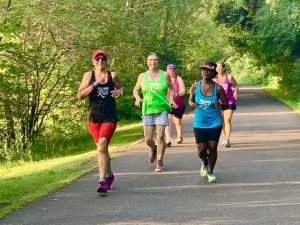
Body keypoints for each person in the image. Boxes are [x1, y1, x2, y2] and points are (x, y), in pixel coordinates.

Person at [77, 49, 123, 193]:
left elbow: (121, 87)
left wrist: (120, 91)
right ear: (93, 61)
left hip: (109, 116)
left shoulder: (112, 75)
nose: (100, 62)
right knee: (101, 149)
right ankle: (109, 175)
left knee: (102, 145)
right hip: (94, 118)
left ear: (106, 61)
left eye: (103, 59)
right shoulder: (88, 75)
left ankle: (102, 180)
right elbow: (80, 95)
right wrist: (95, 83)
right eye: (97, 59)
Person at [133, 53, 176, 172]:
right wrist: (137, 98)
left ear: (159, 62)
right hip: (147, 110)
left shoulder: (165, 75)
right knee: (148, 139)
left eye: (155, 60)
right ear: (147, 62)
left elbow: (172, 90)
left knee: (161, 136)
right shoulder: (142, 76)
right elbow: (135, 90)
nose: (153, 62)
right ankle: (154, 149)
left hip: (162, 109)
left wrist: (171, 99)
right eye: (150, 60)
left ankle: (159, 161)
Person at [189, 61, 228, 182]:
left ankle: (211, 172)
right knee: (201, 150)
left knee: (212, 147)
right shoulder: (195, 86)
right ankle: (205, 162)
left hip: (215, 122)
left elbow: (226, 105)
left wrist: (220, 103)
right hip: (199, 123)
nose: (205, 72)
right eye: (203, 70)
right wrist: (192, 104)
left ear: (213, 72)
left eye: (208, 70)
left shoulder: (218, 88)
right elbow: (190, 100)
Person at [214, 61, 239, 147]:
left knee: (227, 120)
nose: (219, 69)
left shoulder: (229, 77)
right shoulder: (214, 79)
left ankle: (227, 139)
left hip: (229, 101)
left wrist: (236, 92)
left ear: (224, 68)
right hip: (219, 102)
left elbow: (236, 86)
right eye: (217, 67)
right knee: (221, 122)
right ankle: (224, 139)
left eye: (221, 67)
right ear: (216, 69)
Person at [165, 64, 186, 147]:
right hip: (167, 104)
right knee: (167, 119)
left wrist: (176, 94)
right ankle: (168, 139)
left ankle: (179, 136)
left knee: (178, 122)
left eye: (172, 70)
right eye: (169, 69)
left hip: (178, 104)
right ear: (166, 70)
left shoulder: (178, 79)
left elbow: (183, 91)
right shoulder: (163, 80)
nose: (171, 71)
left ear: (175, 70)